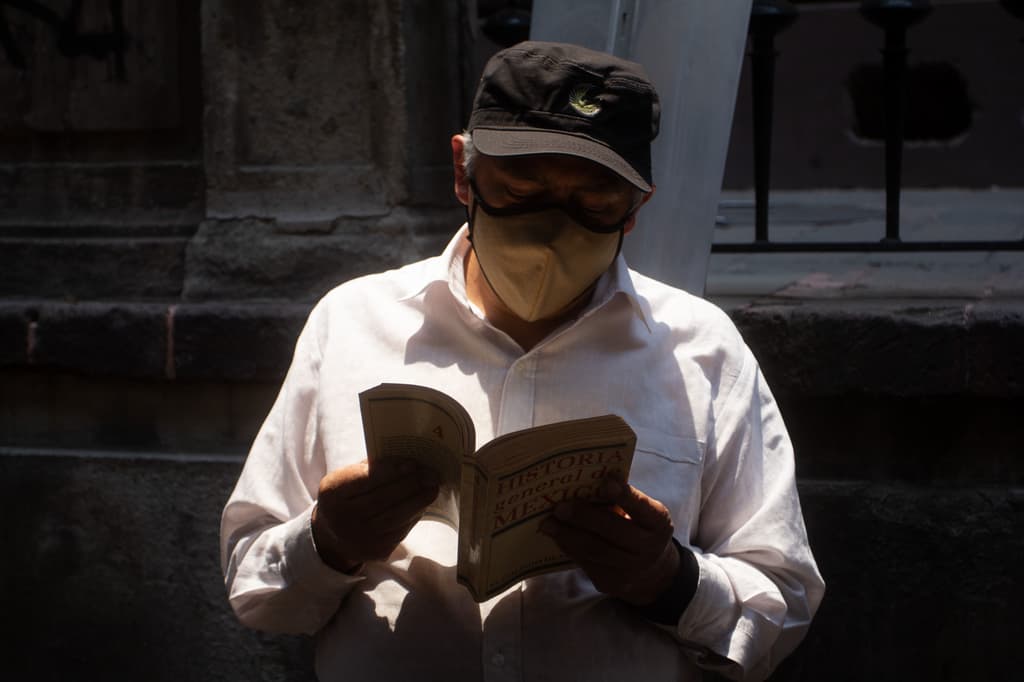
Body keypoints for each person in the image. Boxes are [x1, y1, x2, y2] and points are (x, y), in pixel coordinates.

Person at [221, 41, 824, 681]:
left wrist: (669, 582)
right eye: (521, 191)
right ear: (463, 172)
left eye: (593, 205)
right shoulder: (351, 323)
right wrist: (329, 542)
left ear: (636, 208)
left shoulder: (702, 348)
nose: (549, 235)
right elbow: (253, 582)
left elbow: (781, 604)